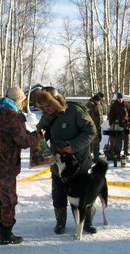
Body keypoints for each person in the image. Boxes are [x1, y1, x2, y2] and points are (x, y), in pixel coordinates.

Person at [32, 87, 97, 235]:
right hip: (59, 165)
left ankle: (87, 222)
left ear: (58, 100)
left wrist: (73, 146)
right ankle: (60, 222)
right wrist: (39, 137)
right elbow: (40, 134)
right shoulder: (47, 116)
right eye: (43, 107)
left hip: (78, 163)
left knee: (84, 194)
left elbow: (91, 131)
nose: (46, 109)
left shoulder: (75, 111)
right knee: (59, 193)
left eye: (49, 105)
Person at [0, 87, 43, 245]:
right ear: (19, 100)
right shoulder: (12, 117)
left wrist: (30, 134)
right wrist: (39, 135)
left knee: (3, 194)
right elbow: (23, 142)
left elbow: (16, 136)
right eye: (23, 101)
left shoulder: (0, 114)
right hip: (4, 165)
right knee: (9, 200)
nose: (24, 104)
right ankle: (5, 234)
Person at [107, 92, 130, 164]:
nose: (120, 100)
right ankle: (116, 152)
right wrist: (111, 123)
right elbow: (111, 115)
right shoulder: (114, 105)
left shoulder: (126, 104)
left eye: (121, 98)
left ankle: (126, 151)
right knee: (117, 139)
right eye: (118, 98)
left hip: (125, 123)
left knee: (126, 138)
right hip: (117, 124)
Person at [86, 94, 104, 162]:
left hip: (97, 126)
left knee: (97, 141)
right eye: (99, 101)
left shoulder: (97, 105)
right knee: (95, 143)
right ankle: (95, 158)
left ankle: (94, 156)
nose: (100, 102)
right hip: (92, 127)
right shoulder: (90, 105)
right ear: (96, 100)